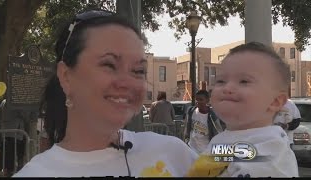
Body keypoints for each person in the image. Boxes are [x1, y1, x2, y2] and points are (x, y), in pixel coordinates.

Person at [13, 9, 197, 177]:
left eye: (138, 70)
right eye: (109, 65)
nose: (126, 82)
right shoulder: (35, 173)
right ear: (66, 76)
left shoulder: (172, 153)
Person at [187, 42, 299, 177]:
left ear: (275, 101)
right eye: (221, 81)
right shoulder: (223, 140)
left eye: (244, 81)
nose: (227, 88)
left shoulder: (269, 151)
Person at [183, 90, 225, 154]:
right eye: (196, 99)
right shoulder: (191, 111)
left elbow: (219, 131)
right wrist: (186, 141)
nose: (198, 102)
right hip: (191, 148)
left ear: (207, 100)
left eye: (201, 99)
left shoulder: (212, 115)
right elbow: (187, 128)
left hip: (206, 151)